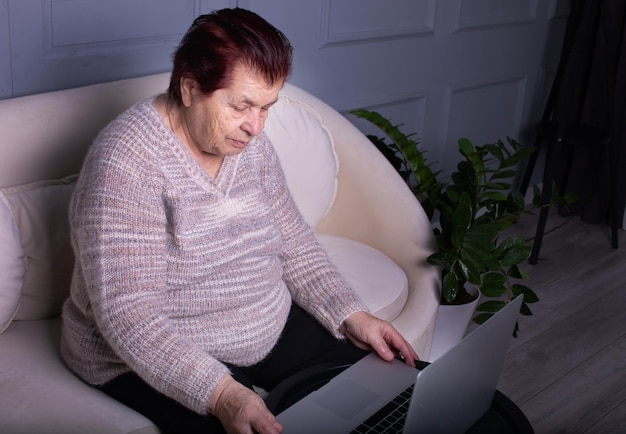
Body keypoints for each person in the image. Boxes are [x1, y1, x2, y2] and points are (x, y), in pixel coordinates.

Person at [60, 8, 418, 434]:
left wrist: (349, 313)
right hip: (149, 349)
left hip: (262, 323)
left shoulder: (248, 145)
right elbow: (130, 316)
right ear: (190, 88)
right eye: (241, 105)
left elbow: (294, 244)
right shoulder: (126, 161)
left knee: (390, 394)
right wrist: (223, 393)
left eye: (267, 108)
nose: (255, 127)